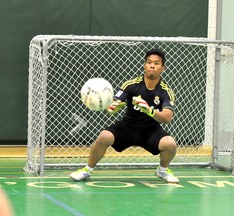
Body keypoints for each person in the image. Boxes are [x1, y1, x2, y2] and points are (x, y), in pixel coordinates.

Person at [70, 48, 179, 183]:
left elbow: (167, 117)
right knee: (103, 137)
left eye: (157, 63)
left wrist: (149, 110)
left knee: (170, 144)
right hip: (127, 127)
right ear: (144, 65)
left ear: (163, 68)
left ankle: (162, 171)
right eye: (149, 62)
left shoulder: (165, 91)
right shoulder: (131, 85)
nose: (152, 65)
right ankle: (87, 170)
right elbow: (112, 108)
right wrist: (112, 108)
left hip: (151, 130)